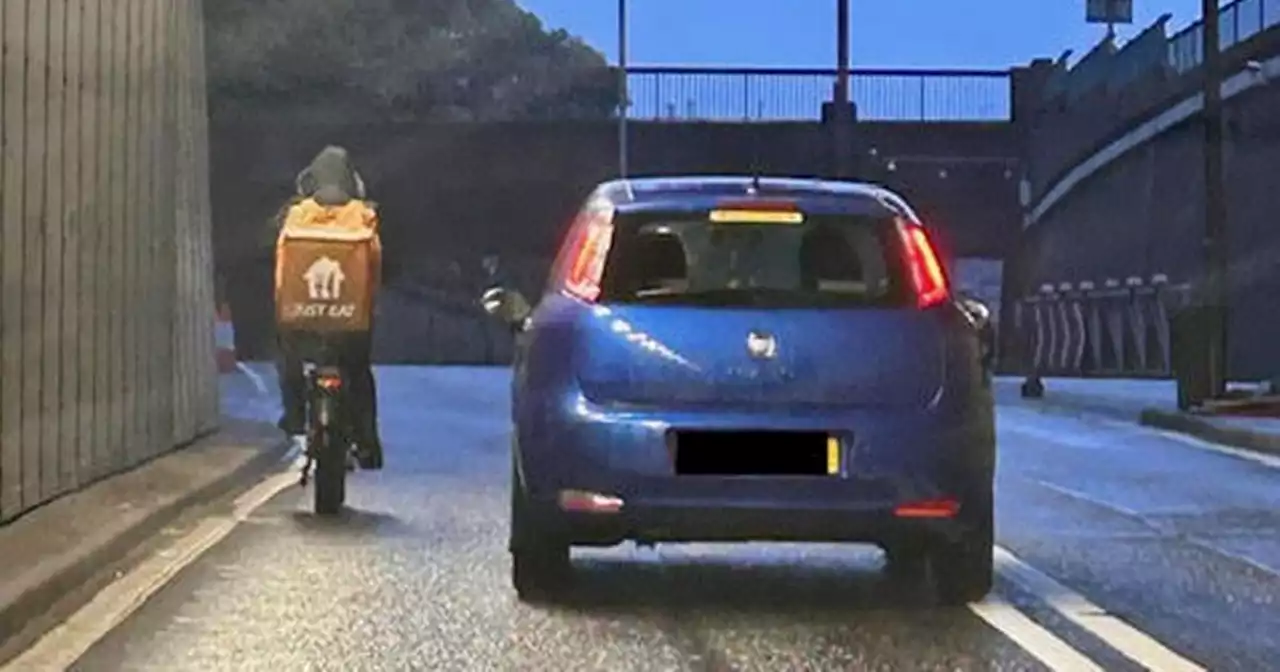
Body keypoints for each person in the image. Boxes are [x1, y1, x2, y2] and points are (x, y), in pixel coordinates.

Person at [269, 146, 383, 469]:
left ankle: (293, 417)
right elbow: (383, 264)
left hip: (301, 323)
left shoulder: (294, 213)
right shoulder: (365, 215)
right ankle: (367, 441)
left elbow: (270, 250)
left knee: (287, 359)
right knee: (359, 372)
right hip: (351, 325)